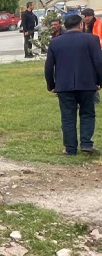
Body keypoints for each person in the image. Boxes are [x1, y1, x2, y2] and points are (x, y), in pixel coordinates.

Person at [44, 14, 102, 156]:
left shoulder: (55, 42)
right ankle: (86, 143)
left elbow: (49, 66)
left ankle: (70, 149)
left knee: (68, 117)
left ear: (65, 26)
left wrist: (51, 84)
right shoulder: (92, 39)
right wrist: (99, 82)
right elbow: (98, 62)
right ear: (81, 25)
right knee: (88, 114)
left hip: (64, 86)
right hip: (87, 84)